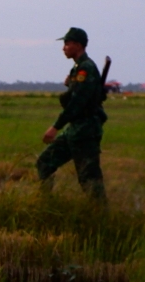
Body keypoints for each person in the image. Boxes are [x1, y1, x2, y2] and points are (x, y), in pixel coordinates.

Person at [37, 27, 107, 200]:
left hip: (86, 132)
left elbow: (77, 103)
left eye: (67, 44)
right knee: (44, 162)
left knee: (90, 181)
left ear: (78, 45)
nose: (64, 48)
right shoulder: (78, 69)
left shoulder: (86, 68)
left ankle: (100, 218)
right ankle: (46, 204)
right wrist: (70, 85)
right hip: (75, 130)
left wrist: (55, 127)